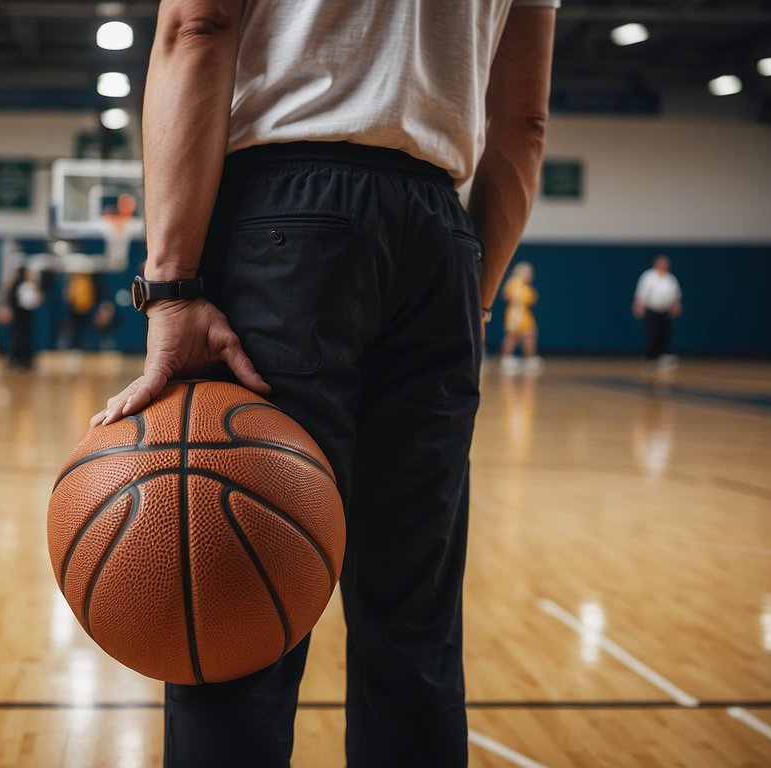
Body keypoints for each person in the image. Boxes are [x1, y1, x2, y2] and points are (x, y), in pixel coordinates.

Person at [91, 1, 557, 765]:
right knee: (415, 634)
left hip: (285, 224)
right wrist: (467, 297)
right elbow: (523, 125)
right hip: (440, 235)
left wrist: (171, 288)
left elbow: (198, 26)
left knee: (231, 617)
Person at [633, 254, 682, 367]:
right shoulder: (649, 276)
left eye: (666, 263)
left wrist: (676, 305)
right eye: (662, 263)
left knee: (664, 334)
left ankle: (662, 357)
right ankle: (650, 358)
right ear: (656, 264)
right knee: (652, 335)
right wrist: (639, 305)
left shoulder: (670, 278)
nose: (664, 265)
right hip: (652, 310)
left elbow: (675, 295)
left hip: (664, 310)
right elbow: (642, 292)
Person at [499, 261, 542, 374]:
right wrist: (514, 318)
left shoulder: (524, 285)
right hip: (516, 314)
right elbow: (510, 298)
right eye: (528, 273)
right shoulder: (515, 284)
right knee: (512, 336)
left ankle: (528, 360)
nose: (530, 275)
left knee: (529, 336)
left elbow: (533, 299)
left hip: (525, 314)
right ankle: (506, 359)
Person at [7, 266, 42, 370]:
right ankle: (19, 358)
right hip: (20, 314)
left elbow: (34, 301)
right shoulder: (21, 285)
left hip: (25, 314)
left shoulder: (28, 285)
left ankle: (23, 359)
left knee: (24, 336)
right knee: (20, 337)